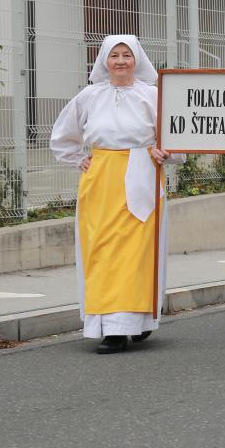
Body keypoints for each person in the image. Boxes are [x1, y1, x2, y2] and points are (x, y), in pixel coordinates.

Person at [50, 35, 184, 354]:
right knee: (101, 249)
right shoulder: (90, 96)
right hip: (101, 179)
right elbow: (63, 135)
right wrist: (78, 158)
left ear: (136, 59)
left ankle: (128, 324)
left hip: (142, 174)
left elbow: (174, 137)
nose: (121, 61)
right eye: (114, 55)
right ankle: (110, 323)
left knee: (136, 253)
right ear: (104, 61)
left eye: (127, 55)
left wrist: (167, 152)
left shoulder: (152, 95)